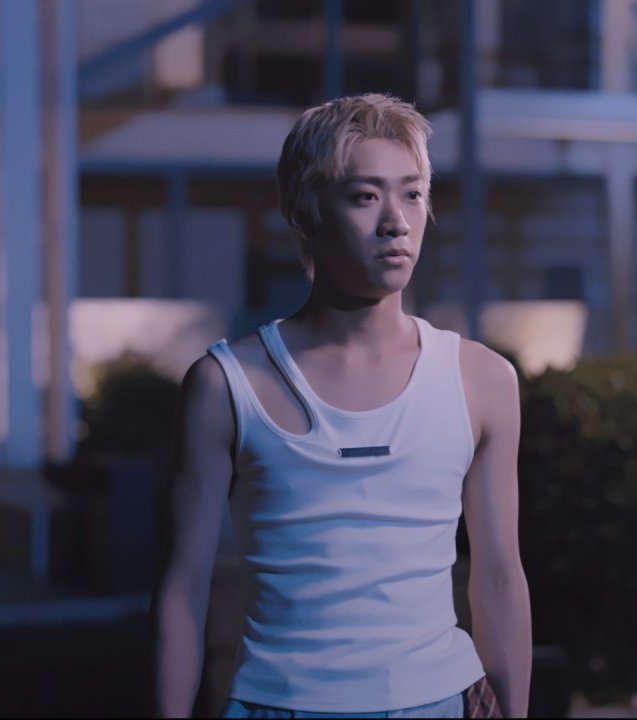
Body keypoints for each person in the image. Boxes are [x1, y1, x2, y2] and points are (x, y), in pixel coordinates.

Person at [154, 93, 531, 719]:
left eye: (413, 194)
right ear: (305, 212)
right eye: (364, 196)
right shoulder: (226, 384)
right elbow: (181, 588)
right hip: (280, 703)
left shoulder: (482, 379)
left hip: (443, 699)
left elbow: (498, 577)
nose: (396, 222)